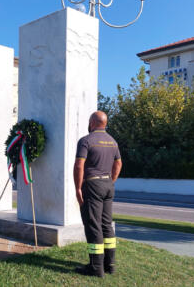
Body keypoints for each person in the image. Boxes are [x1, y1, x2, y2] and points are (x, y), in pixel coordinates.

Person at [73, 111, 122, 278]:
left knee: (93, 225)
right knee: (106, 224)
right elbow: (118, 163)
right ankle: (110, 265)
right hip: (108, 184)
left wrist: (78, 188)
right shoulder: (113, 141)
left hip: (92, 185)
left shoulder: (86, 140)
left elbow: (79, 165)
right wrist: (111, 180)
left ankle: (96, 268)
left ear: (92, 122)